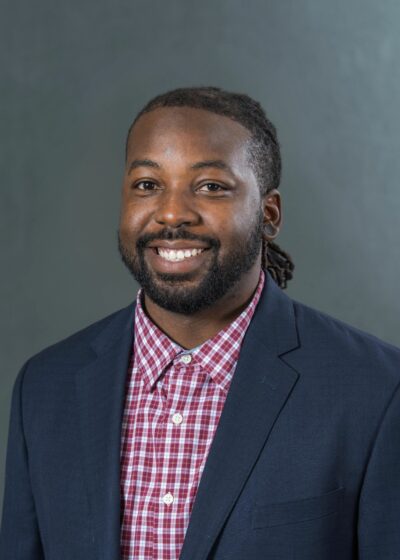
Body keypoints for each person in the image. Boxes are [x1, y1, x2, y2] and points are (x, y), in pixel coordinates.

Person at [1, 86, 399, 560]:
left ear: (269, 214)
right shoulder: (44, 388)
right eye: (147, 185)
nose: (172, 213)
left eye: (210, 186)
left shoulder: (376, 390)